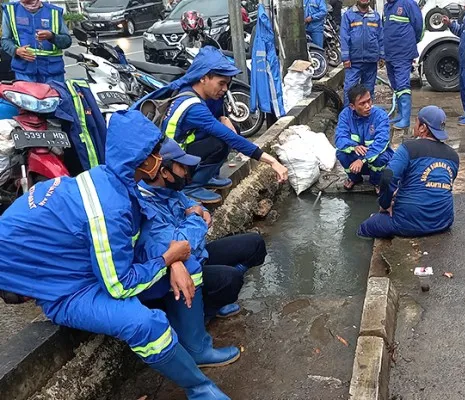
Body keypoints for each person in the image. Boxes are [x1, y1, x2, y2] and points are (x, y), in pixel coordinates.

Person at [0, 111, 233, 400]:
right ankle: (198, 387)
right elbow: (119, 285)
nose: (162, 158)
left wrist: (175, 258)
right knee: (145, 325)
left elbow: (143, 228)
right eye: (157, 152)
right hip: (66, 287)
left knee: (189, 264)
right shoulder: (108, 209)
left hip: (83, 264)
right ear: (143, 159)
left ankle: (197, 347)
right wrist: (165, 259)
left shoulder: (112, 181)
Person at [135, 139, 267, 323]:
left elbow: (191, 205)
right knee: (231, 279)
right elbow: (180, 244)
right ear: (164, 172)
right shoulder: (144, 203)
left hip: (198, 255)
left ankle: (212, 293)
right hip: (174, 271)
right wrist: (196, 218)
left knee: (255, 244)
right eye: (181, 167)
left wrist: (202, 211)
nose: (186, 173)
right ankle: (203, 312)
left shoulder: (170, 189)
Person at [136, 46, 288, 204]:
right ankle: (191, 186)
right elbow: (228, 137)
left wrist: (223, 118)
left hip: (176, 149)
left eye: (227, 84)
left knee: (231, 129)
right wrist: (272, 161)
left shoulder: (190, 90)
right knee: (222, 139)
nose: (225, 89)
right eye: (221, 83)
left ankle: (207, 176)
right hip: (171, 161)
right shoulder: (193, 107)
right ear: (203, 78)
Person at [358, 106, 459, 238]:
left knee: (365, 228)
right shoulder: (453, 156)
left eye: (416, 122)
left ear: (423, 128)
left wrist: (385, 204)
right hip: (443, 222)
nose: (415, 125)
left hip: (408, 222)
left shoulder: (408, 148)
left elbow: (388, 177)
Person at [335, 84, 394, 191]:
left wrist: (362, 160)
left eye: (369, 101)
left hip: (373, 157)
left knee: (381, 158)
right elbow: (340, 138)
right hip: (356, 159)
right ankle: (354, 178)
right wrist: (354, 147)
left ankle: (377, 181)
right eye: (362, 103)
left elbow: (382, 142)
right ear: (352, 106)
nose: (368, 106)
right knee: (341, 154)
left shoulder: (380, 116)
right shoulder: (345, 115)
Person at [1, 0, 71, 83]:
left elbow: (67, 41)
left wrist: (52, 36)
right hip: (24, 71)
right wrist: (16, 50)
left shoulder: (54, 11)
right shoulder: (11, 10)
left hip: (52, 72)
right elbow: (5, 40)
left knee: (55, 96)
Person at [382, 0, 423, 130]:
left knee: (402, 84)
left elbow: (419, 27)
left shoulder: (408, 3)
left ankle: (405, 118)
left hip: (403, 52)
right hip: (390, 53)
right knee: (395, 85)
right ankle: (400, 114)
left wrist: (410, 41)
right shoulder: (387, 7)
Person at [340, 0, 384, 103]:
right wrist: (345, 58)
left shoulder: (376, 16)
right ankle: (349, 117)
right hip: (353, 62)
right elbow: (344, 38)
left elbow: (381, 37)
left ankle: (366, 116)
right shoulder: (348, 15)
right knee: (349, 91)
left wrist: (382, 56)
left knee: (368, 91)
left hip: (371, 61)